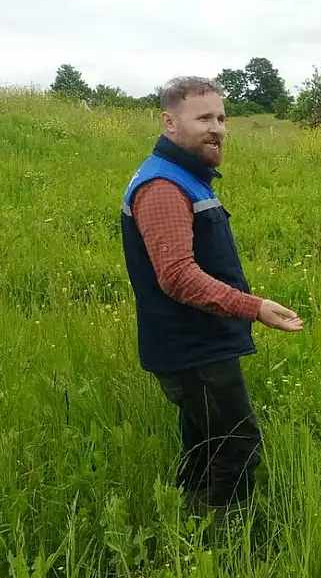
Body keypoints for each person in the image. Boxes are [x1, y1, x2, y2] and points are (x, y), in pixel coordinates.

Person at [120, 76, 304, 518]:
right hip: (193, 348)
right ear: (169, 122)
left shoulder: (183, 176)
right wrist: (255, 307)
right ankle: (218, 539)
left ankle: (184, 521)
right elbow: (178, 276)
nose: (217, 128)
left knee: (205, 444)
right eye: (203, 117)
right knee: (237, 447)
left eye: (221, 117)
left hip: (194, 343)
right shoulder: (164, 186)